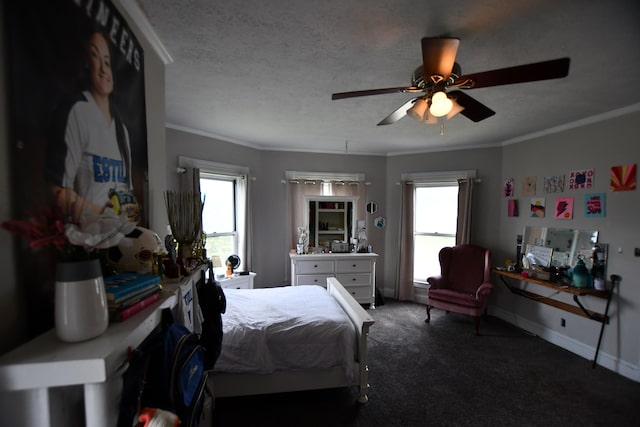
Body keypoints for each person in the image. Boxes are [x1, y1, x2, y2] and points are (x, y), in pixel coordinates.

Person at [46, 28, 139, 222]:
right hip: (84, 240)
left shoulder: (121, 129)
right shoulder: (77, 111)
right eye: (96, 57)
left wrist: (128, 215)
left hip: (118, 240)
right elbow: (57, 190)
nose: (104, 69)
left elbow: (127, 193)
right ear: (86, 64)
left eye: (107, 61)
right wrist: (100, 213)